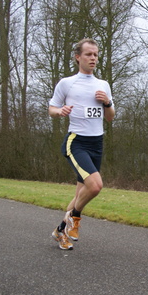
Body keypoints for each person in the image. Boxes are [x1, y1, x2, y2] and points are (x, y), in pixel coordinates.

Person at [48, 38, 115, 250]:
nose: (93, 58)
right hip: (76, 142)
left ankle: (60, 231)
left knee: (79, 194)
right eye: (88, 54)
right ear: (78, 57)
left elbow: (110, 117)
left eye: (95, 54)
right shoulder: (67, 83)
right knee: (95, 186)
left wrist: (107, 102)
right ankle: (74, 218)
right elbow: (52, 108)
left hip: (97, 143)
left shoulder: (103, 85)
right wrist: (61, 111)